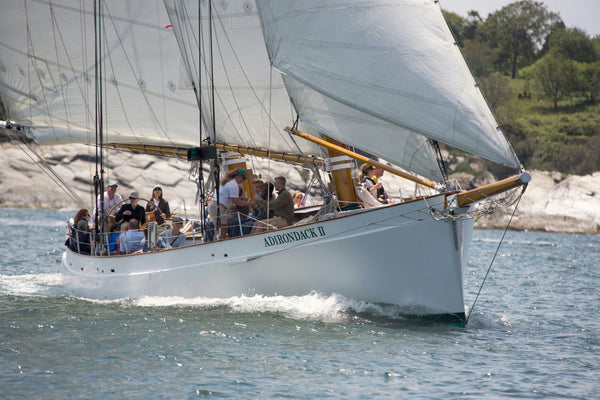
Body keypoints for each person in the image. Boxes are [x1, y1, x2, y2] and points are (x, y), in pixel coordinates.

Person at [207, 168, 257, 240]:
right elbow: (237, 202)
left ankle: (218, 242)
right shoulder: (233, 185)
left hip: (215, 206)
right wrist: (250, 203)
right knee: (223, 228)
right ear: (239, 176)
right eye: (243, 179)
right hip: (218, 207)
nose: (243, 181)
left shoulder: (228, 181)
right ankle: (220, 243)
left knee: (220, 228)